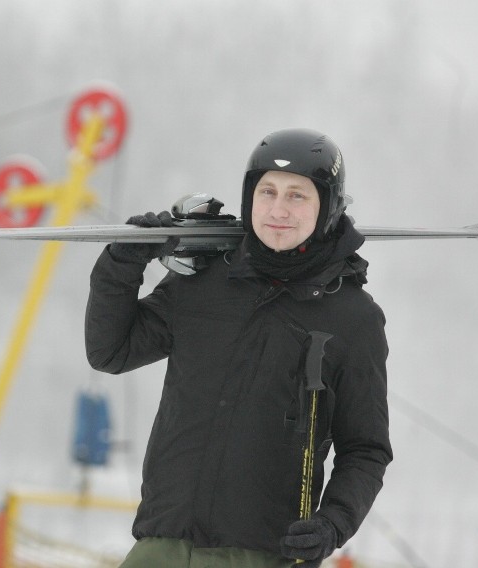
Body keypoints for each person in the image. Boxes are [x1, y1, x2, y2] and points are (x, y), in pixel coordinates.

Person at [85, 128, 392, 568]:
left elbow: (366, 449)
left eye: (297, 196)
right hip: (161, 543)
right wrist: (124, 261)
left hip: (261, 554)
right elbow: (111, 351)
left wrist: (333, 523)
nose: (278, 210)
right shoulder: (205, 283)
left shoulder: (352, 317)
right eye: (267, 191)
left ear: (327, 206)